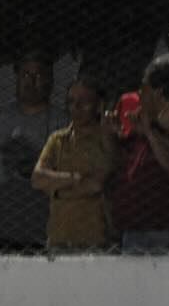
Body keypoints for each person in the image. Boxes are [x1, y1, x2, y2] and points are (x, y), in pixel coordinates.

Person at [0, 51, 59, 252]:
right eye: (25, 75)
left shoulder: (63, 122)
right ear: (16, 77)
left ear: (50, 80)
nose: (31, 82)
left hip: (42, 230)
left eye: (38, 75)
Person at [107, 52, 169, 253]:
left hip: (168, 235)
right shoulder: (145, 124)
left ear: (158, 93)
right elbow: (123, 168)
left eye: (143, 88)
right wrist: (112, 136)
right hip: (134, 233)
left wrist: (150, 133)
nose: (138, 95)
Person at [31, 76, 116, 251]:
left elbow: (97, 184)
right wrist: (75, 178)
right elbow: (37, 178)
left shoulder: (106, 139)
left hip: (94, 240)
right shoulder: (58, 139)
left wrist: (57, 191)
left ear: (99, 105)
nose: (75, 108)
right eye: (71, 101)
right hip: (58, 239)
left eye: (83, 102)